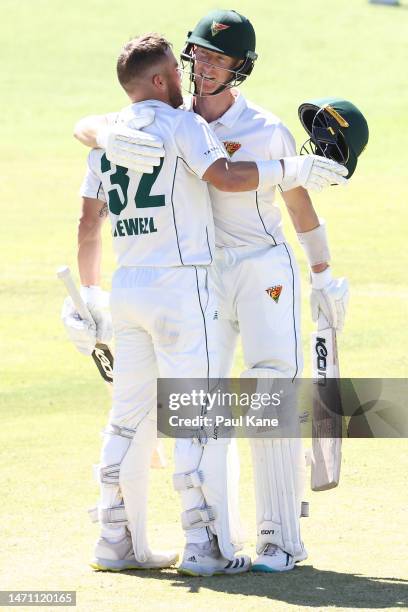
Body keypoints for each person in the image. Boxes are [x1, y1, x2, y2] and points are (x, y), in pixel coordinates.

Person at [65, 31, 347, 576]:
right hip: (195, 281)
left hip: (259, 268)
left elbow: (298, 204)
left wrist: (324, 273)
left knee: (267, 393)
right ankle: (211, 539)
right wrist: (99, 132)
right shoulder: (181, 119)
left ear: (241, 67)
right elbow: (222, 174)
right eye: (198, 55)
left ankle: (278, 540)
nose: (206, 66)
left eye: (221, 58)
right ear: (176, 69)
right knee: (200, 410)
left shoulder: (263, 128)